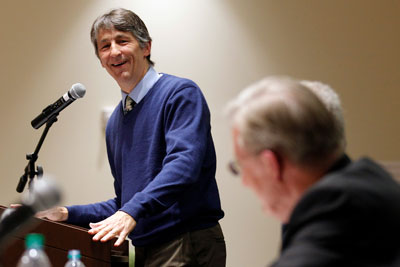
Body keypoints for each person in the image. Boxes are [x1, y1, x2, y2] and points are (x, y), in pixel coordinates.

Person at [38, 8, 225, 266]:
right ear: (101, 61)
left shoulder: (180, 93)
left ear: (146, 47)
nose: (114, 52)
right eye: (105, 46)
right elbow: (125, 202)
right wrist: (67, 213)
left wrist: (131, 211)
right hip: (145, 247)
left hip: (184, 241)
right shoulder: (116, 122)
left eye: (122, 41)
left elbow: (183, 166)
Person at [225, 76, 400, 266]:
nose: (244, 182)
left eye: (240, 166)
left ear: (271, 164)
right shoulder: (370, 179)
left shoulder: (338, 211)